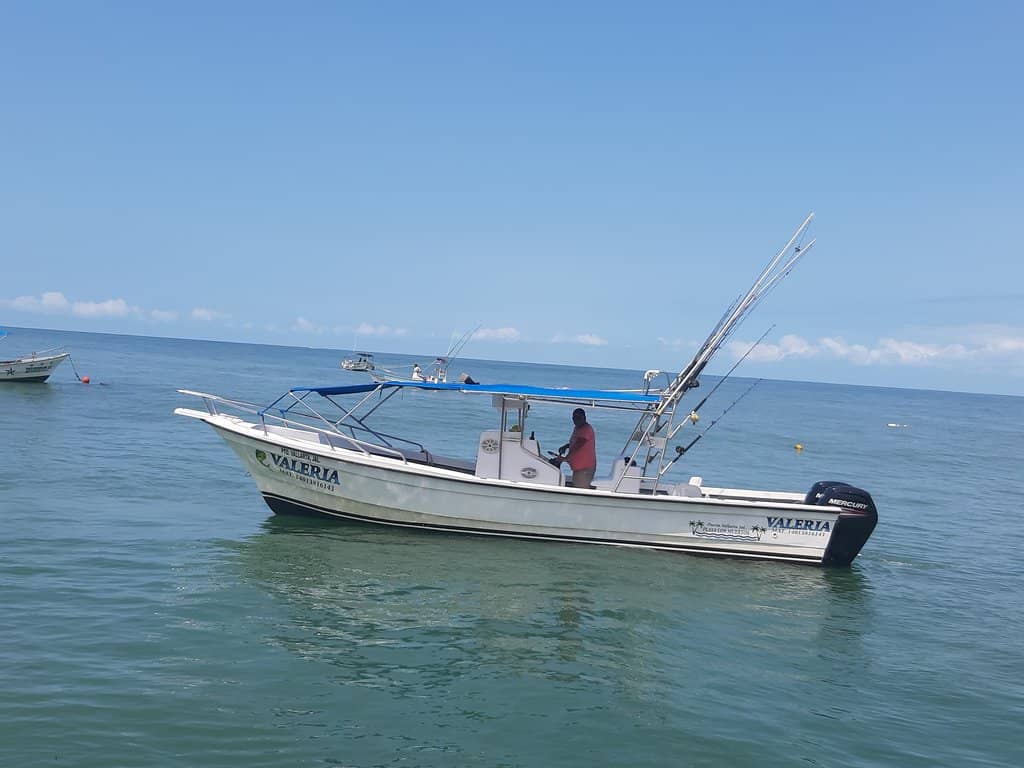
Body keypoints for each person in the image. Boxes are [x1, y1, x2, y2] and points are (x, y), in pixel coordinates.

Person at [557, 408, 597, 489]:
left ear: (584, 418)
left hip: (585, 468)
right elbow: (575, 442)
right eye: (574, 418)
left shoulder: (586, 429)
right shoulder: (578, 428)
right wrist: (566, 446)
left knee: (579, 490)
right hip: (579, 467)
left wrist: (566, 457)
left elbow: (579, 444)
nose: (576, 420)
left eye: (579, 418)